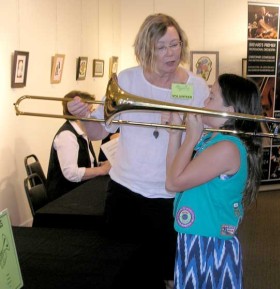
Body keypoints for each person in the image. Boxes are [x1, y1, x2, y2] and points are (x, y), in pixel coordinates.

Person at [67, 13, 209, 288]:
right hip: (126, 193)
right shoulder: (127, 80)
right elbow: (97, 132)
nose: (171, 53)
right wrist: (83, 115)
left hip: (172, 196)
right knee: (124, 274)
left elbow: (204, 140)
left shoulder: (196, 87)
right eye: (162, 47)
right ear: (146, 49)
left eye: (175, 44)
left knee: (170, 275)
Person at [165, 74, 263, 289]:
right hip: (198, 236)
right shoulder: (212, 139)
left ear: (229, 111)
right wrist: (174, 134)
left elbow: (173, 183)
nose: (203, 103)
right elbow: (173, 176)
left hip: (209, 243)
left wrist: (190, 138)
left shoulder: (227, 147)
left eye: (211, 97)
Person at [46, 90, 111, 201]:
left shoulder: (83, 131)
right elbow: (70, 173)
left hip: (80, 191)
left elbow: (83, 161)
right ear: (77, 111)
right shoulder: (67, 135)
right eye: (91, 111)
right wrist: (102, 170)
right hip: (65, 198)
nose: (93, 115)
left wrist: (100, 164)